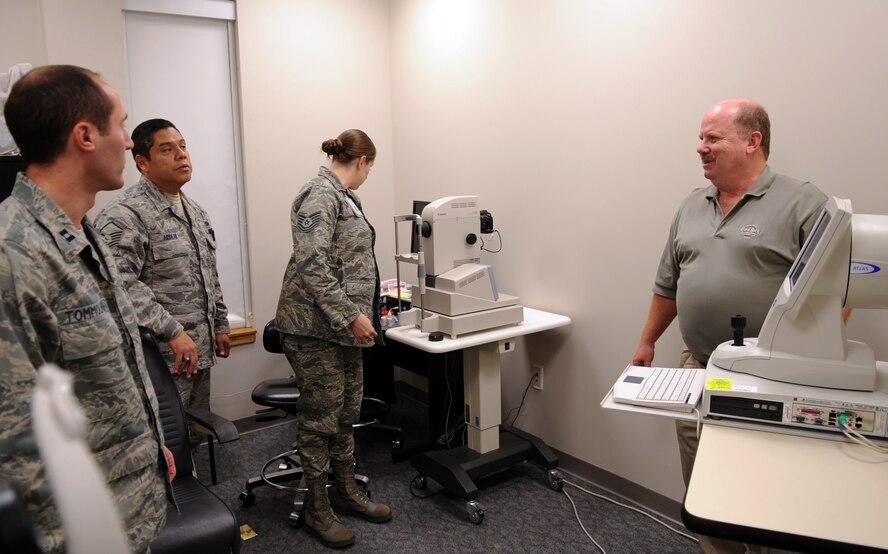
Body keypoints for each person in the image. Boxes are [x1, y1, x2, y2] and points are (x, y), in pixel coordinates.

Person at [632, 99, 827, 554]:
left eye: (712, 138)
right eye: (701, 138)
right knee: (702, 481)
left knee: (760, 486)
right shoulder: (691, 205)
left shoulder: (804, 203)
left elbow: (834, 296)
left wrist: (808, 367)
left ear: (753, 141)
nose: (700, 148)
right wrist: (646, 342)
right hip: (696, 363)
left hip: (768, 376)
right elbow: (668, 284)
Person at [0, 65, 174, 553]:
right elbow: (15, 444)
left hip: (129, 504)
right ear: (85, 136)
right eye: (120, 125)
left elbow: (94, 375)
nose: (126, 139)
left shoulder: (81, 231)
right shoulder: (14, 256)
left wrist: (147, 442)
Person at [275, 129, 392, 548]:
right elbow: (312, 264)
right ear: (361, 161)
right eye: (370, 168)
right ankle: (316, 508)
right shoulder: (320, 195)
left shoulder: (346, 198)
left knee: (345, 414)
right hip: (314, 330)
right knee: (320, 419)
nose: (368, 175)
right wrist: (350, 315)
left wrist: (356, 318)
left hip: (342, 332)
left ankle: (345, 491)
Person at [96, 119, 230, 450]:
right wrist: (171, 331)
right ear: (142, 162)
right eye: (167, 150)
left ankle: (192, 495)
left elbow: (208, 272)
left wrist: (221, 323)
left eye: (183, 146)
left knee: (193, 435)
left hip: (197, 351)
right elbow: (118, 283)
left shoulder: (194, 211)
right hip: (157, 356)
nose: (181, 155)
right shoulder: (125, 215)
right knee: (162, 442)